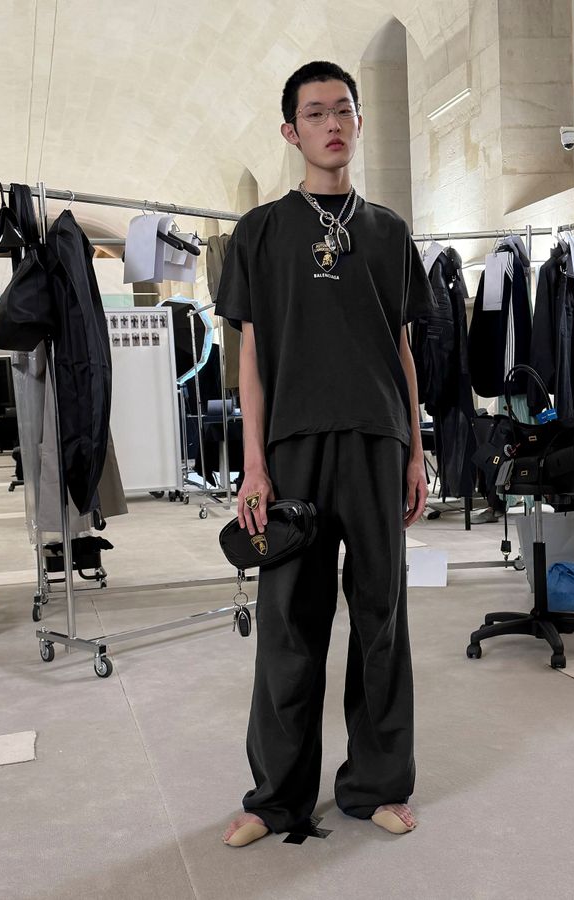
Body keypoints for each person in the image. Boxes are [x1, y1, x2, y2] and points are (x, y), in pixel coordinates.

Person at [216, 60, 436, 848]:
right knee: (287, 625)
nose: (332, 124)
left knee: (382, 620)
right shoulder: (260, 232)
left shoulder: (389, 232)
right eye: (315, 113)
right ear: (292, 130)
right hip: (293, 450)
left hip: (377, 443)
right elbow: (250, 355)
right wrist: (253, 464)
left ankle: (376, 784)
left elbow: (403, 349)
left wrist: (415, 450)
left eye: (343, 109)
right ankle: (276, 799)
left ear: (358, 123)